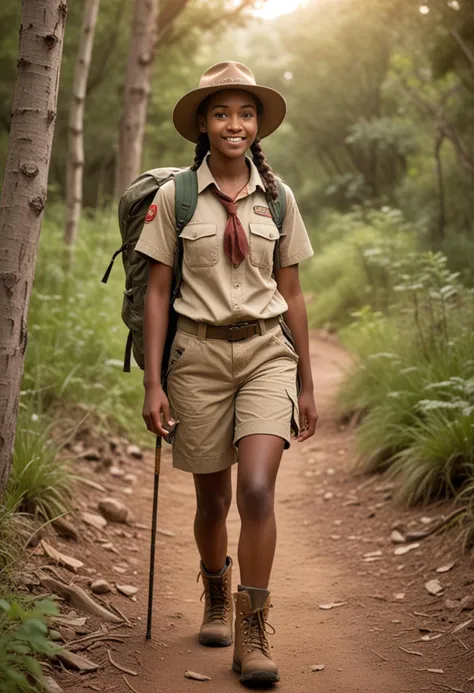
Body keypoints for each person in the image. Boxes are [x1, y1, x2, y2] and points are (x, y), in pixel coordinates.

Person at [135, 61, 318, 686]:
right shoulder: (176, 197)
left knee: (258, 491)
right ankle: (216, 592)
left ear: (258, 125)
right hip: (199, 360)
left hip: (268, 353)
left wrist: (308, 383)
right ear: (204, 126)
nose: (233, 123)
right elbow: (158, 293)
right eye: (221, 113)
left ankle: (254, 627)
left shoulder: (280, 197)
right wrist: (153, 382)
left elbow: (292, 292)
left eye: (244, 113)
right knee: (212, 503)